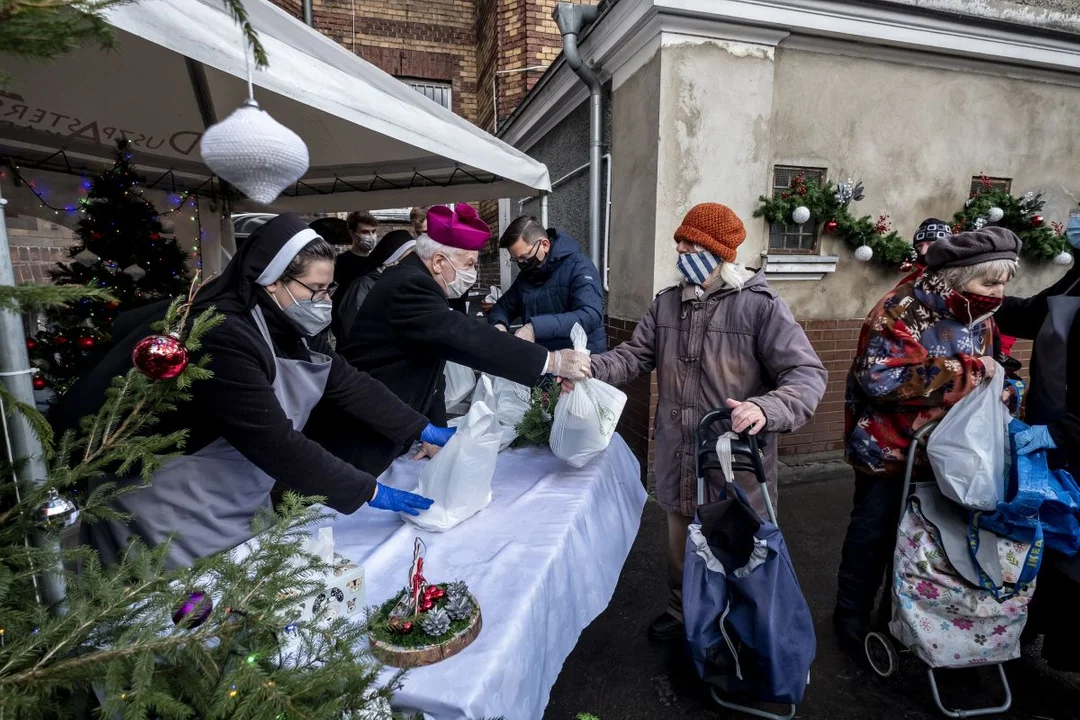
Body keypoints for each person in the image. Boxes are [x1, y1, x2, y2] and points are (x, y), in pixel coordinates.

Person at [59, 214, 451, 570]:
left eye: (329, 288)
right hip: (171, 504)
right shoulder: (223, 335)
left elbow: (348, 383)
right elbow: (273, 440)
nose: (325, 301)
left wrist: (418, 427)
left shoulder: (288, 323)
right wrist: (367, 490)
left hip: (233, 492)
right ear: (271, 279)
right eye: (315, 288)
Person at [586, 202, 827, 642]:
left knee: (736, 552)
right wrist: (588, 367)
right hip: (681, 458)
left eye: (688, 241)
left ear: (717, 252)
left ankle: (738, 631)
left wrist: (766, 408)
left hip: (735, 466)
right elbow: (634, 356)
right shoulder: (667, 304)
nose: (678, 248)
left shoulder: (760, 306)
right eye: (679, 241)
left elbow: (806, 374)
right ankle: (683, 615)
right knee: (681, 548)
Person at [834, 226, 1022, 651]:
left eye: (1005, 282)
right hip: (889, 453)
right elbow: (880, 380)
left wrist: (1006, 386)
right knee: (873, 538)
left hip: (945, 458)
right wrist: (968, 373)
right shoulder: (901, 309)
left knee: (924, 546)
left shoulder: (981, 314)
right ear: (956, 276)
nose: (999, 292)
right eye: (989, 281)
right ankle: (851, 620)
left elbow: (995, 365)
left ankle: (897, 619)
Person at [328, 203, 592, 474]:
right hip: (360, 433)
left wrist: (435, 432)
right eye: (469, 265)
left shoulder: (417, 279)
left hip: (386, 425)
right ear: (440, 262)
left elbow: (432, 371)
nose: (472, 273)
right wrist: (551, 360)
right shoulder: (410, 285)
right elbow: (465, 337)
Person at [994, 213, 1080, 673]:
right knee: (1052, 539)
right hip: (1055, 431)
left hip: (1069, 435)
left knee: (1073, 551)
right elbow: (1034, 313)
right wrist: (985, 296)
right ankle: (1036, 633)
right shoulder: (1077, 276)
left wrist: (1062, 432)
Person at [489, 216, 606, 354]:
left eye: (525, 258)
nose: (521, 264)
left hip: (581, 357)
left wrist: (535, 328)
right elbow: (502, 307)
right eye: (516, 260)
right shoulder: (527, 276)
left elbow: (590, 315)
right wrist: (499, 326)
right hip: (543, 358)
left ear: (545, 245)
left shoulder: (579, 266)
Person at [335, 230, 415, 339]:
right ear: (392, 260)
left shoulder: (398, 281)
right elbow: (355, 328)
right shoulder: (363, 285)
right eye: (407, 259)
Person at [331, 211, 381, 338]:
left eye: (373, 231)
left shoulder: (378, 261)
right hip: (347, 327)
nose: (371, 236)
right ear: (353, 234)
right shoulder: (342, 262)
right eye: (365, 232)